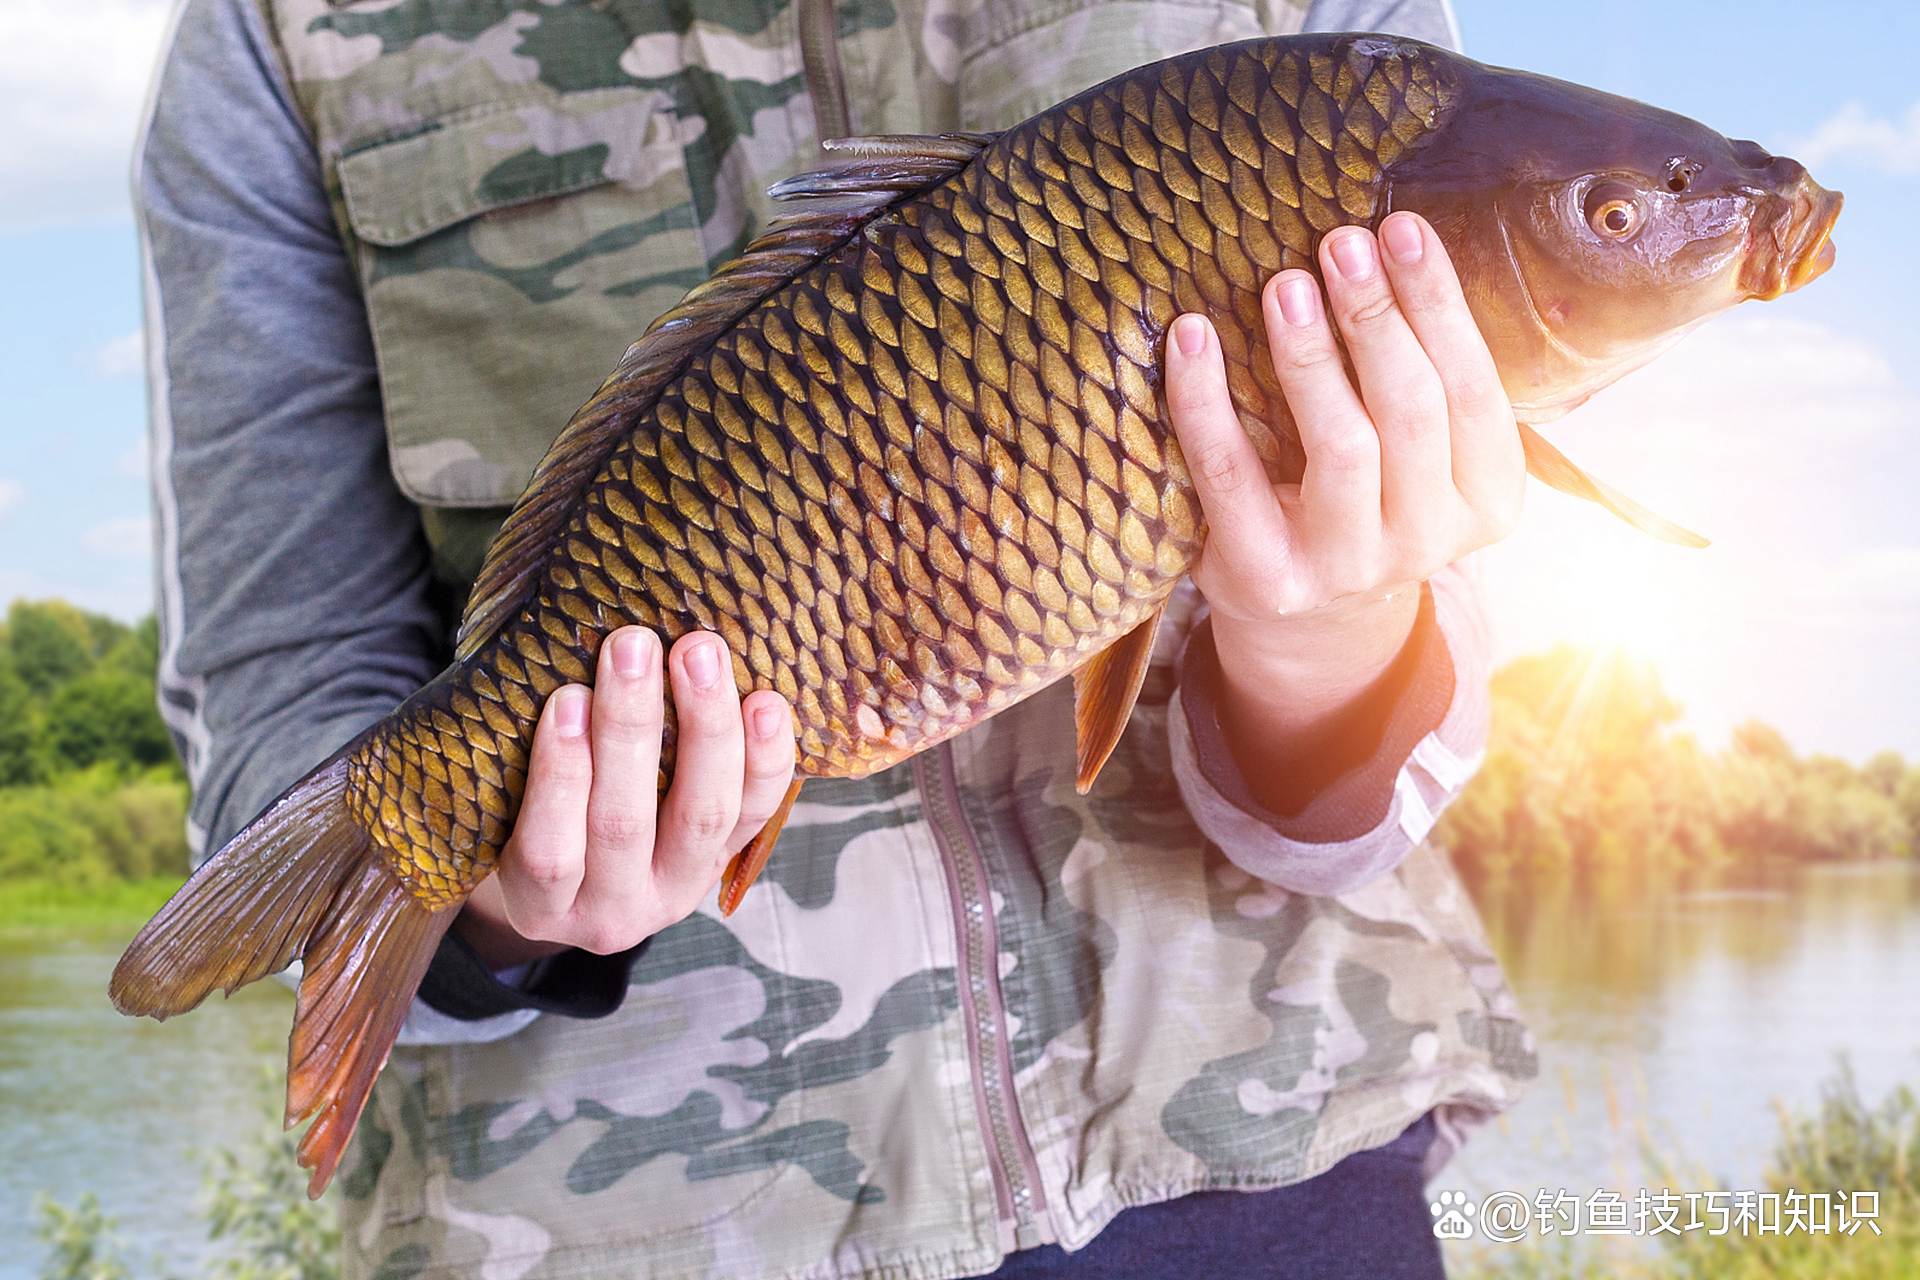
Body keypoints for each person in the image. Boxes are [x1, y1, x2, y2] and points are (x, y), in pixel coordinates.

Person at [136, 0, 1535, 1275]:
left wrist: (1331, 636)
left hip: (1274, 1172)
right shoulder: (275, 36)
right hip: (642, 1224)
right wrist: (502, 910)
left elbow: (1416, 728)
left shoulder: (1366, 88)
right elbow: (285, 685)